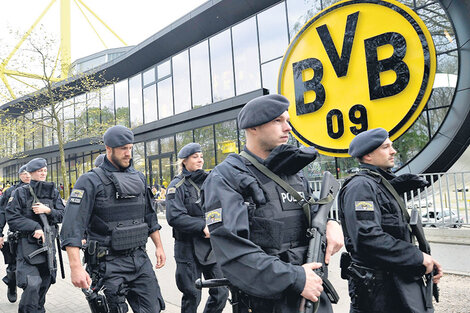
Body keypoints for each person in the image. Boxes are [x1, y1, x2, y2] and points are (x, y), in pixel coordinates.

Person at [202, 94, 344, 313]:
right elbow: (233, 252)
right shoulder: (226, 177)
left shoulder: (292, 172)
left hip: (313, 290)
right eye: (278, 121)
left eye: (287, 121)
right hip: (266, 302)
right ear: (253, 128)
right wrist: (296, 278)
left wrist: (332, 222)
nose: (287, 128)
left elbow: (314, 212)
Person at [60, 125, 166, 313]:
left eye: (130, 148)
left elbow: (149, 216)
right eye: (123, 149)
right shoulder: (90, 181)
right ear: (109, 149)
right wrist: (75, 267)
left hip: (139, 259)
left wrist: (159, 246)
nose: (128, 154)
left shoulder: (139, 178)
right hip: (108, 264)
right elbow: (72, 226)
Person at [338, 128, 443, 313]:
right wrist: (416, 257)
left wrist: (421, 260)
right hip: (377, 293)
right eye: (386, 147)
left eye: (391, 146)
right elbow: (367, 238)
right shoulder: (360, 187)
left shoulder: (379, 184)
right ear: (368, 155)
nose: (393, 151)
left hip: (394, 285)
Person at [166, 143, 228, 313]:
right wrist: (202, 226)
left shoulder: (210, 182)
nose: (200, 160)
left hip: (210, 247)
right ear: (184, 161)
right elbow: (175, 217)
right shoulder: (176, 186)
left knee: (221, 292)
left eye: (201, 156)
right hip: (187, 248)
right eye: (195, 157)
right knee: (192, 295)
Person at [5, 158, 65, 313]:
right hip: (26, 246)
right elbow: (11, 217)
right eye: (39, 171)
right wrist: (34, 227)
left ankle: (38, 309)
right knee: (32, 284)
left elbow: (63, 215)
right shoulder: (21, 192)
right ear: (30, 173)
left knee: (45, 282)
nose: (43, 173)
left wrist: (48, 211)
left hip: (48, 245)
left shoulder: (53, 191)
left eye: (45, 170)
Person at [0, 165, 31, 303]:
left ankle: (30, 293)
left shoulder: (39, 190)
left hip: (34, 236)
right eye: (24, 173)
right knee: (13, 266)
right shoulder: (11, 192)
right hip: (16, 235)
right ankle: (11, 284)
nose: (27, 176)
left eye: (29, 173)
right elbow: (2, 213)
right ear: (19, 175)